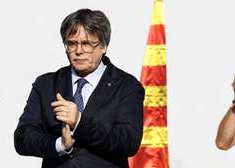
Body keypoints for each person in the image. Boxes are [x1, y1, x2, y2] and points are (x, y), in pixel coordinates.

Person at [14, 8, 144, 168]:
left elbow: (128, 142)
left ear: (104, 46)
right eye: (72, 43)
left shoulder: (127, 86)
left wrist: (79, 122)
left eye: (87, 43)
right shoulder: (46, 84)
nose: (78, 51)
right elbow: (22, 138)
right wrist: (60, 145)